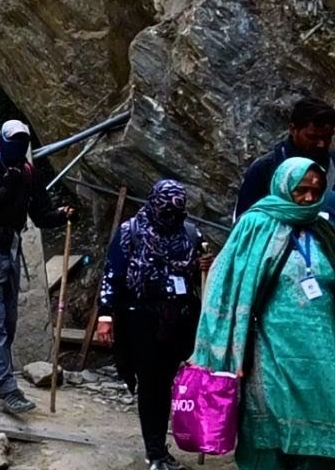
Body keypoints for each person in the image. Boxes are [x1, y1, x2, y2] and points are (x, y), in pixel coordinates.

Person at [193, 157, 335, 470]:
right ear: (283, 185)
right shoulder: (256, 225)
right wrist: (222, 349)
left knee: (324, 420)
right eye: (301, 190)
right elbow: (225, 285)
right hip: (269, 350)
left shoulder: (323, 231)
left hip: (323, 354)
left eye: (316, 191)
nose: (309, 198)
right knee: (269, 423)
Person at [96, 180, 211, 470]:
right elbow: (112, 274)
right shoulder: (131, 232)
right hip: (141, 318)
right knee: (151, 384)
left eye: (176, 213)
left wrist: (202, 267)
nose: (170, 218)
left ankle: (170, 442)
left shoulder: (190, 233)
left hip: (180, 318)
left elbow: (196, 273)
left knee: (171, 380)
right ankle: (156, 451)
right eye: (165, 212)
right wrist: (105, 314)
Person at [0, 119, 75, 415]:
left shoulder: (28, 172)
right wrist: (5, 189)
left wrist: (62, 215)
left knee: (8, 321)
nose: (19, 145)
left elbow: (41, 214)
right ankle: (7, 389)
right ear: (3, 140)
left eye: (24, 140)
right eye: (14, 139)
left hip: (9, 250)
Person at [234, 97, 335, 223]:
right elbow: (243, 220)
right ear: (293, 130)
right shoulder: (264, 168)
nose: (321, 144)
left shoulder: (333, 164)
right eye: (312, 137)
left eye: (327, 137)